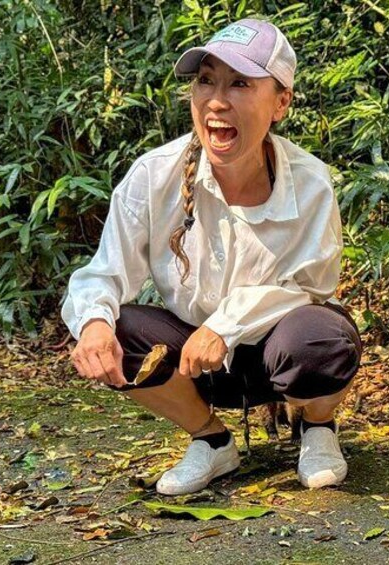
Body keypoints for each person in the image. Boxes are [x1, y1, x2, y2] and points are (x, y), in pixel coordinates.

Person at [62, 18, 361, 496]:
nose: (217, 101)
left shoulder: (309, 182)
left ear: (280, 102)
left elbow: (311, 285)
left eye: (240, 83)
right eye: (206, 80)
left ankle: (318, 428)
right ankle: (211, 439)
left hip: (275, 356)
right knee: (114, 326)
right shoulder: (153, 176)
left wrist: (226, 326)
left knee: (323, 335)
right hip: (194, 366)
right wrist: (93, 324)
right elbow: (104, 273)